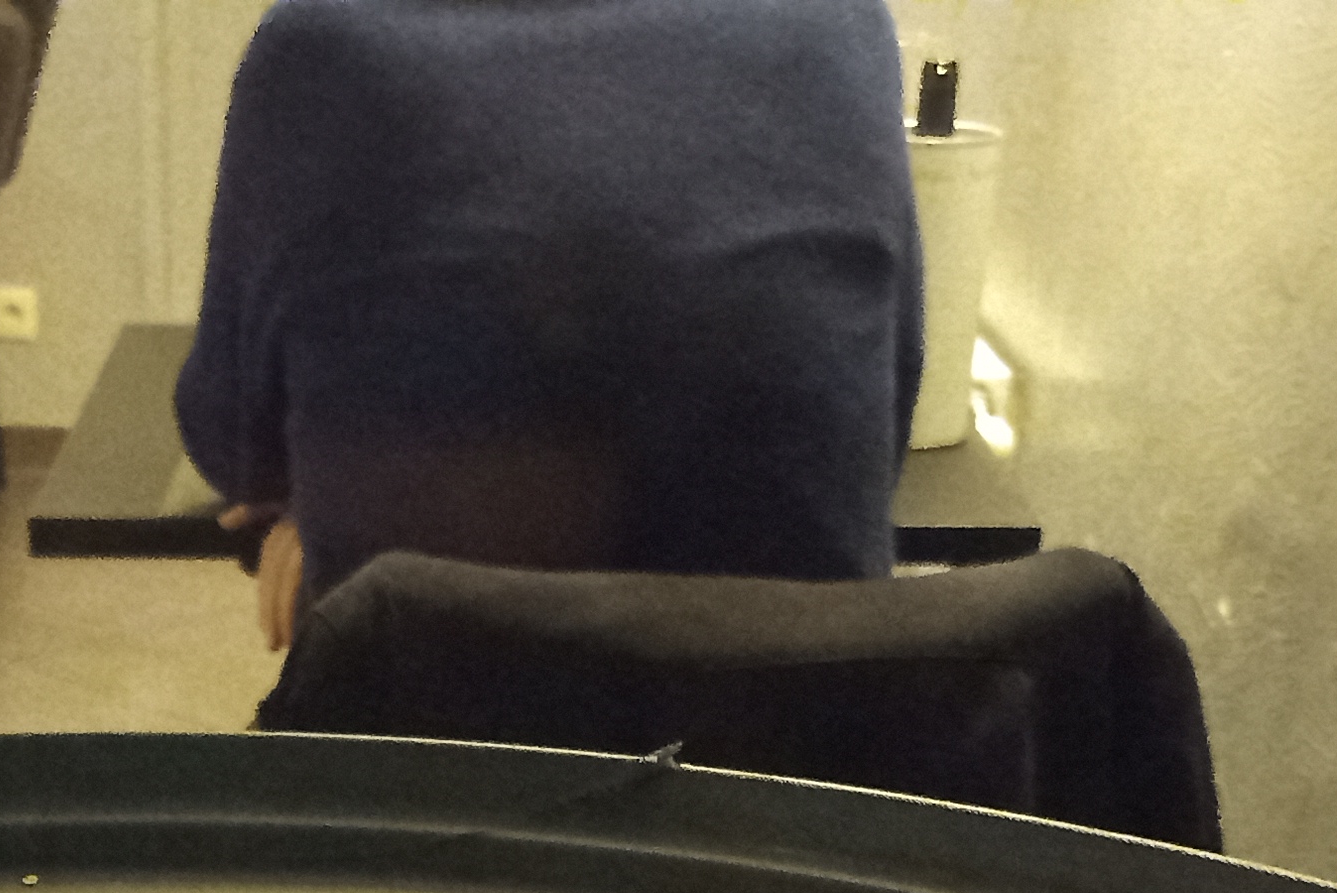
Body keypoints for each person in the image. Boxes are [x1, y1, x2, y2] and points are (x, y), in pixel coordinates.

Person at [177, 0, 924, 652]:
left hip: (421, 743)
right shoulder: (844, 25)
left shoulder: (318, 46)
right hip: (805, 746)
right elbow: (885, 404)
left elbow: (235, 446)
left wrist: (337, 502)